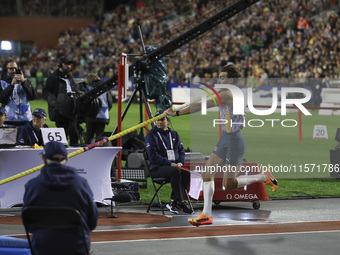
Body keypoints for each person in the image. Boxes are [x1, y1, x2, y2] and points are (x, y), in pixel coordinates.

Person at [166, 64, 278, 226]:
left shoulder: (227, 94)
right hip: (226, 139)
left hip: (234, 141)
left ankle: (263, 177)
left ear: (230, 80)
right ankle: (206, 214)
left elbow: (200, 106)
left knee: (229, 184)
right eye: (219, 77)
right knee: (207, 173)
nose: (219, 80)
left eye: (222, 77)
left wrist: (176, 113)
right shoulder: (230, 93)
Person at [23, 141, 99, 255]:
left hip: (43, 248)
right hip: (76, 248)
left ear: (44, 159)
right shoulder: (81, 184)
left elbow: (28, 223)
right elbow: (92, 221)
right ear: (66, 159)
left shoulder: (32, 185)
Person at [145, 110, 193, 214]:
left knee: (186, 172)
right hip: (157, 168)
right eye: (157, 120)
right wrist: (170, 163)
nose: (159, 122)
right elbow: (153, 156)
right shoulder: (151, 135)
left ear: (168, 121)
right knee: (175, 171)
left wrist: (180, 162)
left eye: (162, 119)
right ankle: (180, 201)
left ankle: (173, 201)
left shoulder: (174, 134)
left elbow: (181, 150)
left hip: (174, 166)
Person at [43, 56, 81, 146]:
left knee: (74, 135)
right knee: (64, 136)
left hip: (72, 110)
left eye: (69, 64)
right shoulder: (53, 78)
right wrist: (56, 104)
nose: (69, 66)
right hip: (61, 112)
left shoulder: (70, 78)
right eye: (66, 64)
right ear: (60, 65)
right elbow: (46, 92)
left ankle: (73, 155)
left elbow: (75, 90)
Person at [0, 58, 37, 127]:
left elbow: (33, 96)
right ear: (6, 70)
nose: (14, 71)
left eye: (15, 68)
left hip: (26, 120)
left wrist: (24, 82)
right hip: (8, 120)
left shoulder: (26, 81)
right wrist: (11, 85)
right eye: (11, 69)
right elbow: (1, 99)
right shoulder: (2, 83)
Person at [84, 73, 113, 144]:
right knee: (99, 137)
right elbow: (110, 102)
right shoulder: (105, 88)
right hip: (103, 113)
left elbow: (85, 102)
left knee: (89, 136)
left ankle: (87, 154)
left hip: (91, 114)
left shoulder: (88, 88)